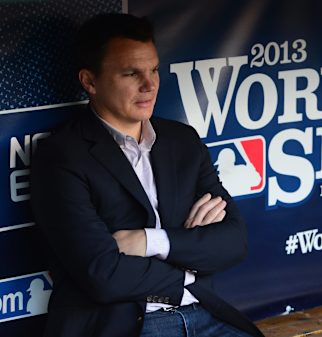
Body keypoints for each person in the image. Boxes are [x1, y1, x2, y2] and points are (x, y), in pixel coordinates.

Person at [31, 13, 264, 337]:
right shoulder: (61, 156)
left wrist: (147, 241)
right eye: (131, 73)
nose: (150, 85)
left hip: (204, 315)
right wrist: (186, 271)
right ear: (90, 81)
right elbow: (102, 273)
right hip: (122, 326)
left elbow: (233, 241)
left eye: (153, 70)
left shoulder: (182, 141)